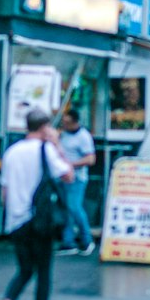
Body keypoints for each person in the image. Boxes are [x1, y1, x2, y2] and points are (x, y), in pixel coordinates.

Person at [0, 107, 73, 300]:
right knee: (45, 271)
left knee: (26, 269)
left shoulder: (11, 152)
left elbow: (5, 191)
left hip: (16, 220)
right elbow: (68, 175)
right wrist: (57, 145)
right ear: (45, 127)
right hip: (39, 220)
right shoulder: (46, 149)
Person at [57, 106, 96, 255]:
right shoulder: (64, 134)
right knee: (67, 208)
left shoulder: (83, 137)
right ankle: (68, 242)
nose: (64, 125)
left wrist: (70, 165)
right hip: (63, 177)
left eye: (67, 122)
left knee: (74, 207)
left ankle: (87, 240)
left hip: (77, 177)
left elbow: (90, 159)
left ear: (75, 122)